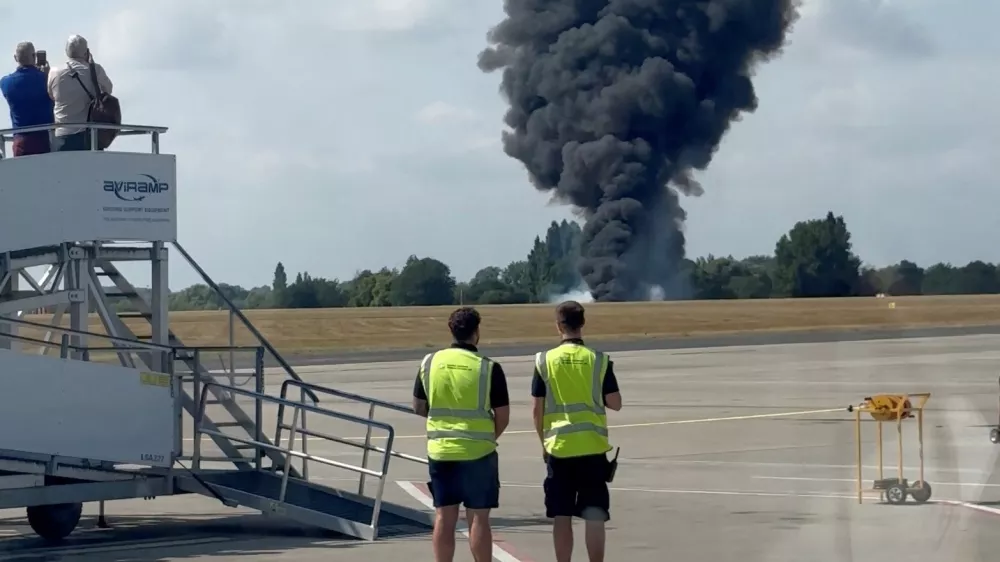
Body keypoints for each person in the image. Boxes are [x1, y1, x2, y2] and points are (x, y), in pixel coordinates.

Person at [412, 307, 510, 562]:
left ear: (451, 331)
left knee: (444, 516)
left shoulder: (429, 363)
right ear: (476, 332)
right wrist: (487, 437)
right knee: (479, 517)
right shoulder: (489, 368)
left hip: (442, 451)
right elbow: (503, 415)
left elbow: (419, 406)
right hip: (479, 452)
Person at [532, 300, 622, 562]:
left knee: (561, 515)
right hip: (592, 448)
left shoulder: (544, 361)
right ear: (582, 324)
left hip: (559, 447)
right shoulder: (599, 360)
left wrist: (544, 446)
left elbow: (537, 410)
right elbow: (615, 403)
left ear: (558, 325)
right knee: (594, 514)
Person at [46, 34, 112, 151]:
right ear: (86, 52)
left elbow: (51, 96)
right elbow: (108, 91)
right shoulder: (95, 69)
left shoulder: (54, 72)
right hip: (89, 134)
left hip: (62, 134)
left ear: (66, 51)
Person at [0, 42, 54, 156]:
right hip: (45, 139)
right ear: (34, 57)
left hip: (21, 141)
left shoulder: (6, 82)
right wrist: (47, 74)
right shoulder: (45, 78)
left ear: (15, 58)